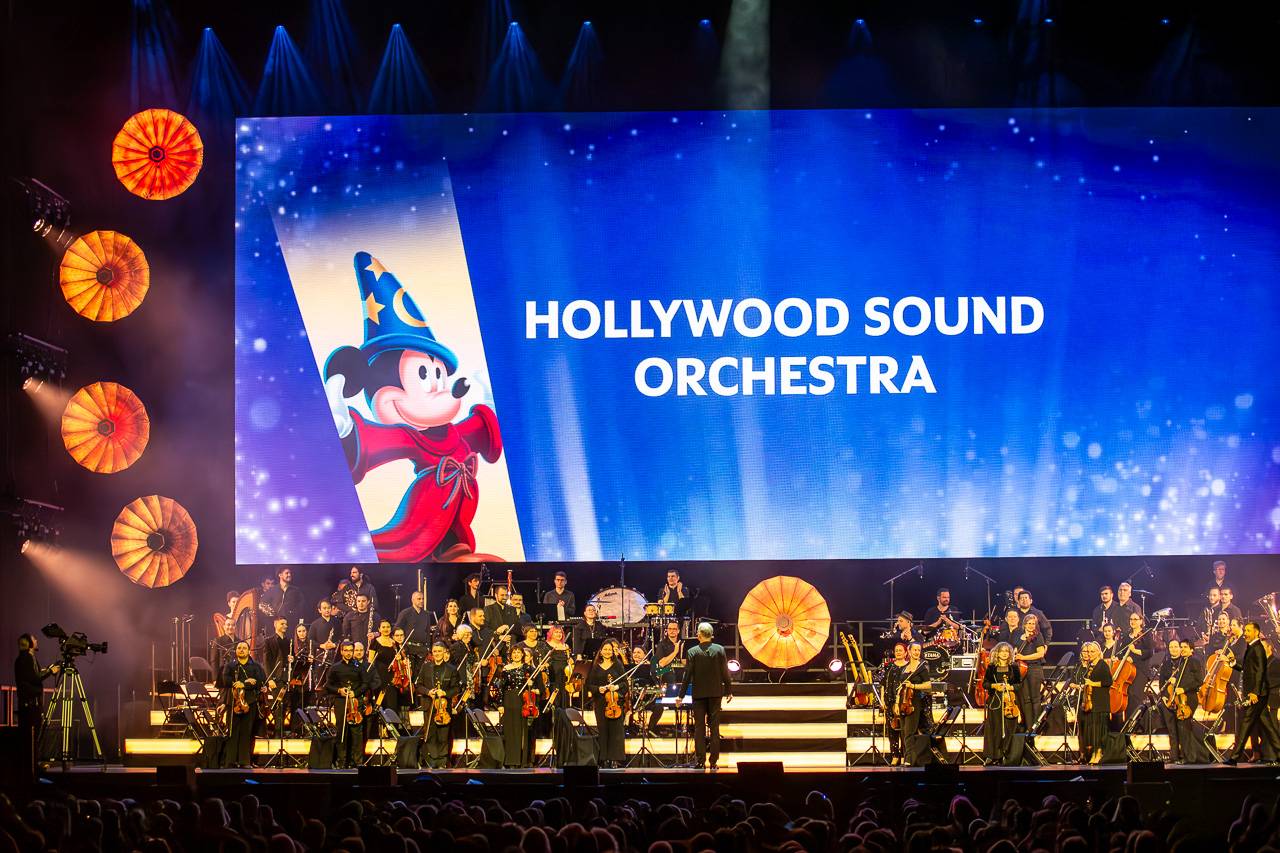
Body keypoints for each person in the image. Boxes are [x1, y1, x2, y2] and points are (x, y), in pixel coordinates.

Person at [676, 622, 734, 769]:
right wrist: (728, 690)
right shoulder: (719, 649)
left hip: (699, 695)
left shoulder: (692, 652)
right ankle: (713, 762)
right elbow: (725, 672)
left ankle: (700, 761)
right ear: (711, 634)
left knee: (699, 728)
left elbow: (687, 675)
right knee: (714, 728)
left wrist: (680, 696)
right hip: (715, 693)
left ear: (699, 635)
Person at [1225, 622, 1280, 764]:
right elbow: (1247, 669)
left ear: (1256, 632)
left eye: (1248, 630)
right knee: (1266, 728)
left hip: (1258, 696)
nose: (1245, 633)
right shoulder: (1252, 648)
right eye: (1245, 630)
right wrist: (1233, 663)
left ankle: (1234, 758)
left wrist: (1255, 693)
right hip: (1256, 695)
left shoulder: (1258, 649)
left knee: (1247, 725)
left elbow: (1260, 672)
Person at [1159, 639, 1212, 764]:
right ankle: (1186, 756)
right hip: (1180, 698)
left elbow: (1199, 681)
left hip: (1189, 698)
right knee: (1183, 728)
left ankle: (1190, 758)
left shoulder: (1195, 661)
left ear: (1191, 649)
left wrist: (1184, 688)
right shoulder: (1182, 662)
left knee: (1185, 728)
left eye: (1185, 647)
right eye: (1181, 647)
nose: (1182, 649)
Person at [15, 633, 60, 769]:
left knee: (29, 738)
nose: (36, 640)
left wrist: (48, 670)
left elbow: (33, 674)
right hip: (31, 705)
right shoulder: (27, 658)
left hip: (28, 704)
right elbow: (35, 677)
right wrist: (50, 672)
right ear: (29, 643)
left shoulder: (23, 658)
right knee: (32, 737)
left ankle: (31, 765)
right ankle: (32, 767)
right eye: (34, 639)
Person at [219, 641, 266, 769]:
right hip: (233, 702)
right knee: (232, 732)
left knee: (247, 732)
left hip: (250, 702)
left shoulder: (256, 666)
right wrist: (243, 682)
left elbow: (260, 682)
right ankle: (230, 761)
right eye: (239, 648)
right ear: (236, 651)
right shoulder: (230, 666)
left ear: (249, 651)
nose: (241, 650)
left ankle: (245, 761)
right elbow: (225, 680)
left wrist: (244, 684)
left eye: (244, 648)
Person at [325, 641, 370, 768]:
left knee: (357, 733)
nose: (349, 653)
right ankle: (341, 761)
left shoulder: (359, 666)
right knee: (342, 731)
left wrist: (355, 693)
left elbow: (365, 684)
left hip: (355, 702)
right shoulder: (335, 667)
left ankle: (357, 762)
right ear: (341, 651)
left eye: (351, 650)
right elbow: (328, 685)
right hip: (340, 701)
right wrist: (339, 690)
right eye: (346, 650)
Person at [416, 642, 461, 768]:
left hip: (444, 709)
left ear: (444, 652)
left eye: (439, 651)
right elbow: (418, 686)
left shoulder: (451, 669)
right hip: (429, 706)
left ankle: (442, 762)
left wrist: (445, 692)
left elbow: (457, 688)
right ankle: (432, 760)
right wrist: (428, 692)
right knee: (430, 735)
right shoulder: (425, 667)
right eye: (435, 651)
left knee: (443, 736)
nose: (437, 653)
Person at [588, 640, 630, 768]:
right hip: (601, 703)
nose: (607, 652)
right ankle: (603, 759)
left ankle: (615, 759)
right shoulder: (595, 666)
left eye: (609, 650)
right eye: (605, 649)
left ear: (613, 652)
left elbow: (625, 684)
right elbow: (589, 685)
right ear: (601, 651)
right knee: (603, 730)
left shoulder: (618, 665)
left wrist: (616, 687)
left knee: (616, 732)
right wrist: (598, 689)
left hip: (615, 703)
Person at [499, 646, 541, 767]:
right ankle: (510, 761)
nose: (516, 654)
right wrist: (500, 704)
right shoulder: (505, 669)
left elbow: (538, 687)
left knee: (521, 731)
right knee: (509, 731)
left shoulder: (528, 668)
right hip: (508, 699)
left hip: (522, 701)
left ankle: (522, 761)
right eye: (514, 652)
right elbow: (501, 688)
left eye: (518, 652)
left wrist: (531, 685)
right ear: (510, 655)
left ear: (522, 655)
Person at [981, 642, 1022, 766]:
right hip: (995, 702)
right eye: (1002, 651)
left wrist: (1011, 687)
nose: (1004, 653)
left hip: (1010, 702)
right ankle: (993, 756)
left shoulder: (1014, 667)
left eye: (1007, 651)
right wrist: (994, 686)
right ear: (997, 653)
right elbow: (985, 684)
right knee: (994, 729)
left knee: (1009, 729)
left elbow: (1019, 685)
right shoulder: (992, 667)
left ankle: (1008, 755)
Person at [1075, 641, 1112, 764]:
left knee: (1099, 730)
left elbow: (1108, 682)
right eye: (1089, 651)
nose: (1090, 654)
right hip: (1091, 702)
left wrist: (1092, 683)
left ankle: (1098, 754)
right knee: (1093, 732)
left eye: (1092, 651)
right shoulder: (1090, 666)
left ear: (1098, 652)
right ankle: (1093, 754)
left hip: (1101, 702)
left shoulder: (1102, 665)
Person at [897, 642, 934, 764]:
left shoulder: (921, 668)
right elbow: (900, 688)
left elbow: (928, 685)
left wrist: (913, 686)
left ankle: (909, 760)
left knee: (909, 732)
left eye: (919, 650)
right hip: (903, 702)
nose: (917, 652)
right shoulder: (904, 668)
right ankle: (907, 757)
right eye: (915, 650)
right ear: (909, 651)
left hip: (914, 703)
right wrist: (897, 703)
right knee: (903, 731)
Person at [1013, 613, 1047, 734]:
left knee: (1035, 698)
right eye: (1029, 623)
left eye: (1034, 623)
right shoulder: (1019, 636)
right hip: (1021, 669)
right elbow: (1015, 649)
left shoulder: (1038, 636)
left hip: (1034, 669)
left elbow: (1040, 654)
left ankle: (1036, 727)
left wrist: (1024, 657)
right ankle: (1028, 726)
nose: (1031, 625)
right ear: (1024, 624)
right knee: (1025, 699)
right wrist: (1015, 654)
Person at [1118, 611, 1153, 724]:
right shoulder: (1127, 636)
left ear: (1141, 621)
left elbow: (1149, 652)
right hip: (1127, 670)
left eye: (1135, 619)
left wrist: (1134, 652)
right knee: (1127, 694)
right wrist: (1120, 657)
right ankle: (1129, 723)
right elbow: (1122, 652)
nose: (1132, 621)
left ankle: (1139, 724)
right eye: (1131, 619)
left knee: (1135, 694)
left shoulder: (1146, 634)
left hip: (1141, 669)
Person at [881, 642, 909, 765]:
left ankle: (904, 755)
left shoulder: (909, 666)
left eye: (900, 650)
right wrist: (882, 700)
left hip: (904, 702)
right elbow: (883, 684)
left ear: (905, 652)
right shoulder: (889, 667)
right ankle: (895, 755)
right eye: (896, 650)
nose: (898, 652)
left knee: (904, 730)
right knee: (892, 730)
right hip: (890, 701)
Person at [367, 620, 400, 715]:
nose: (386, 629)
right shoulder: (375, 642)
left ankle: (391, 723)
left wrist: (399, 659)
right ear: (379, 629)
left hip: (392, 676)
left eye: (388, 627)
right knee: (380, 703)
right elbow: (370, 661)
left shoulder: (395, 643)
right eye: (383, 627)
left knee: (392, 703)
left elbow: (398, 661)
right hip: (379, 676)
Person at [394, 591, 434, 662]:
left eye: (423, 599)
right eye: (419, 599)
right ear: (412, 600)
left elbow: (427, 632)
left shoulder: (426, 614)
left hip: (422, 650)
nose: (421, 601)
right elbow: (396, 629)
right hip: (408, 649)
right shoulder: (405, 613)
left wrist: (428, 648)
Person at [309, 599, 341, 672]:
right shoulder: (314, 624)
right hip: (320, 656)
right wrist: (322, 645)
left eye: (329, 608)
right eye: (324, 608)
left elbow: (341, 638)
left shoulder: (337, 622)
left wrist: (334, 645)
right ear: (319, 610)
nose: (327, 610)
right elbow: (310, 640)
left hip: (335, 656)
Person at [654, 621, 685, 687]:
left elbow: (685, 662)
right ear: (667, 631)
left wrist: (682, 652)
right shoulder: (662, 644)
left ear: (678, 631)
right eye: (670, 629)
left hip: (681, 671)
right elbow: (661, 663)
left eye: (674, 629)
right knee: (671, 676)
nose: (672, 631)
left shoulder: (683, 643)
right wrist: (675, 652)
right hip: (667, 672)